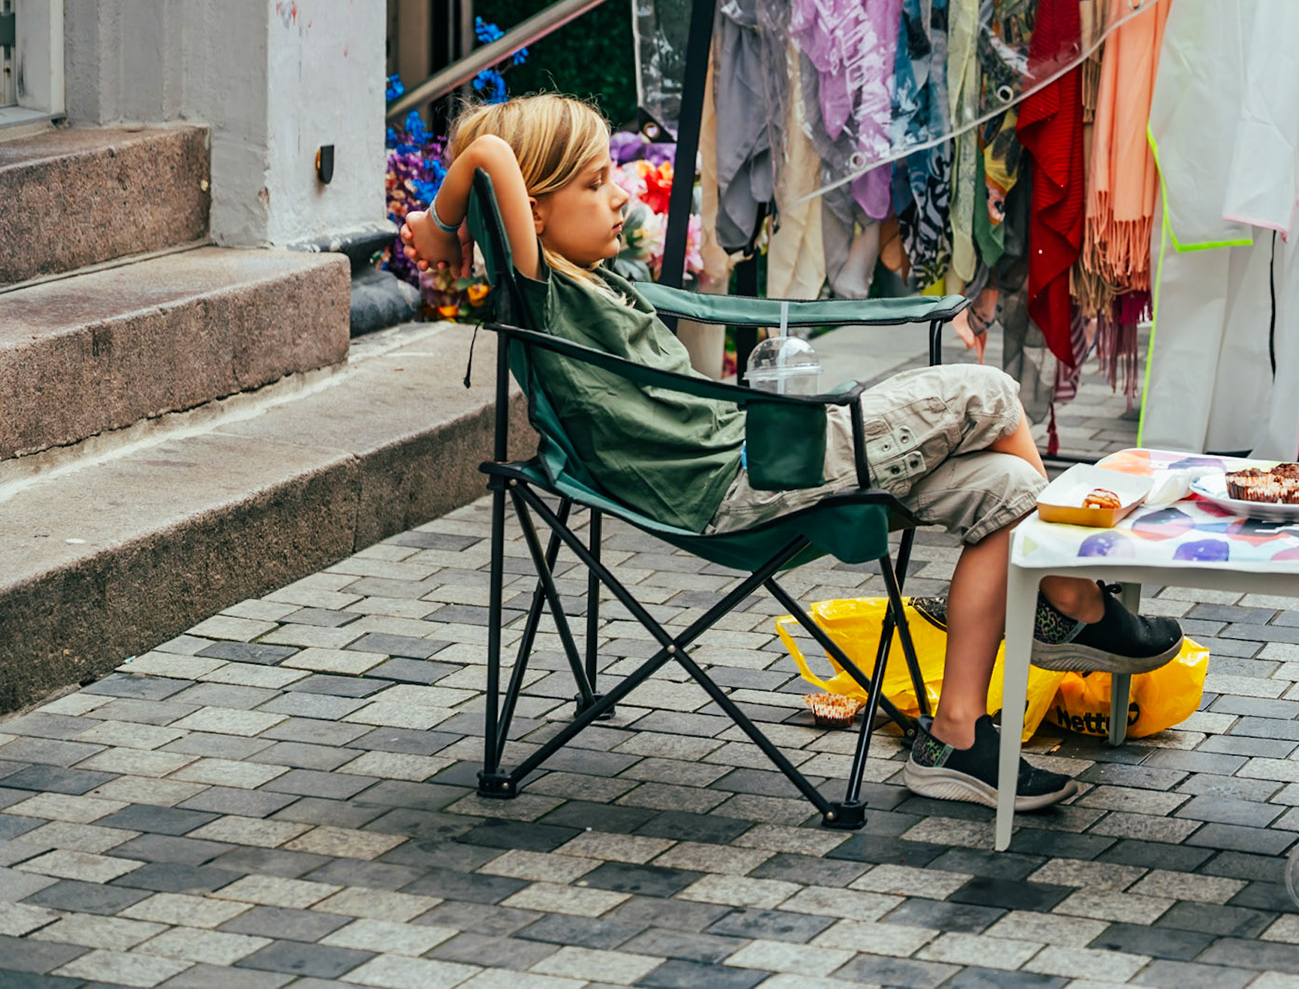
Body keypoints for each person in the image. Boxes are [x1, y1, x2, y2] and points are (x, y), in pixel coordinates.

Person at [401, 94, 1182, 811]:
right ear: (530, 213)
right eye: (595, 183)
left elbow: (502, 175)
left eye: (614, 178)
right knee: (988, 393)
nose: (621, 196)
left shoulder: (590, 277)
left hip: (755, 459)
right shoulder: (543, 290)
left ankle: (954, 739)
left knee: (1009, 484)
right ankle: (1072, 601)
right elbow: (489, 159)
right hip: (741, 479)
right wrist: (442, 229)